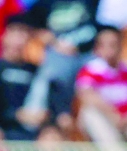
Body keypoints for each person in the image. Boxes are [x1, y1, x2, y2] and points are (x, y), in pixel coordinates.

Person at [17, 0, 99, 132]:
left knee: (98, 71)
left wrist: (80, 46)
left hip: (88, 53)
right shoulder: (43, 4)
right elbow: (30, 26)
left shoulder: (90, 2)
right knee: (50, 73)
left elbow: (103, 27)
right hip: (57, 53)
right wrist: (55, 41)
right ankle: (44, 112)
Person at [0, 16, 38, 140]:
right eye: (14, 32)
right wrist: (14, 115)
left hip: (30, 130)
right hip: (0, 128)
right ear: (4, 36)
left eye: (24, 33)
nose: (18, 39)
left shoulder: (36, 70)